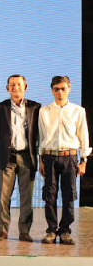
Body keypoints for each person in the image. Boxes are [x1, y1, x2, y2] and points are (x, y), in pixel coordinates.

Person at [38, 76, 90, 245]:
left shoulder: (78, 111)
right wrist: (40, 160)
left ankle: (65, 231)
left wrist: (84, 160)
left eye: (63, 88)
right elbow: (41, 136)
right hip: (49, 157)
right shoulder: (44, 111)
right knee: (49, 195)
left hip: (70, 157)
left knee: (69, 195)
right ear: (52, 90)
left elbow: (83, 136)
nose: (60, 92)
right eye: (56, 89)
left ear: (69, 89)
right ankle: (51, 231)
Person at [0, 75, 41, 242]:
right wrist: (6, 144)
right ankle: (3, 231)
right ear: (7, 88)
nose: (15, 87)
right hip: (7, 157)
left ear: (25, 87)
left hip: (27, 157)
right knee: (4, 197)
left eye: (19, 84)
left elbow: (39, 132)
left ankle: (24, 231)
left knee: (26, 197)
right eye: (12, 84)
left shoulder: (35, 107)